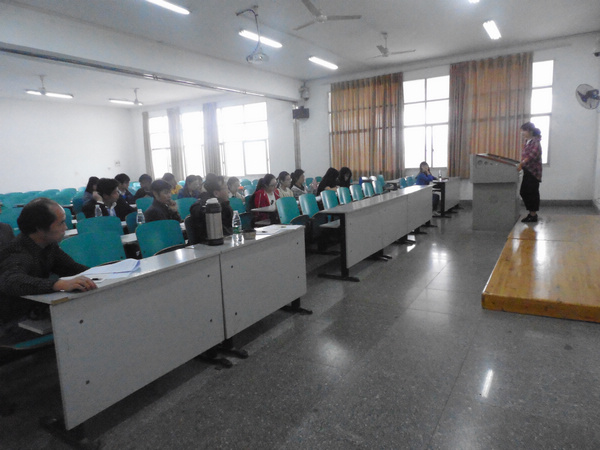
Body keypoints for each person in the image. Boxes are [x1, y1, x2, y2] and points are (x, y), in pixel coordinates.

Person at [0, 198, 97, 335]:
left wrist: (101, 274)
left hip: (38, 312)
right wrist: (58, 284)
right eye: (61, 223)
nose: (66, 228)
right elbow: (11, 281)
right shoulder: (18, 252)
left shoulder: (48, 245)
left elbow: (72, 268)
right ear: (40, 228)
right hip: (16, 322)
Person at [189, 176, 234, 243]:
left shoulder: (224, 205)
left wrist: (226, 204)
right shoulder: (201, 207)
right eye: (226, 188)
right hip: (207, 244)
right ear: (216, 193)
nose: (228, 191)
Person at [518, 122, 542, 223]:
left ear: (530, 131)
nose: (522, 133)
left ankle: (533, 215)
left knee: (531, 193)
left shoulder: (535, 141)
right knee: (524, 192)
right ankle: (532, 214)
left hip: (533, 171)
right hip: (527, 170)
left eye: (524, 130)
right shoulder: (527, 141)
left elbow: (532, 155)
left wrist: (522, 163)